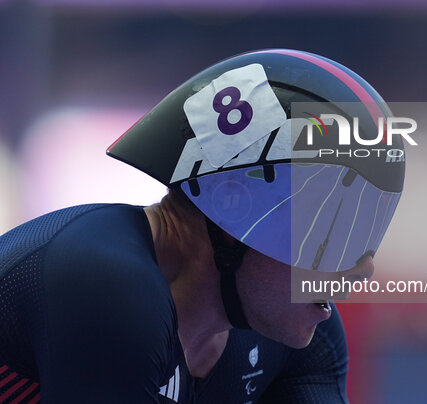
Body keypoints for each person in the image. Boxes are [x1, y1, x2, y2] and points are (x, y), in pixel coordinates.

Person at [0, 49, 404, 403]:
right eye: (332, 227)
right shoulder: (102, 283)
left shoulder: (291, 332)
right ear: (233, 208)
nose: (362, 267)